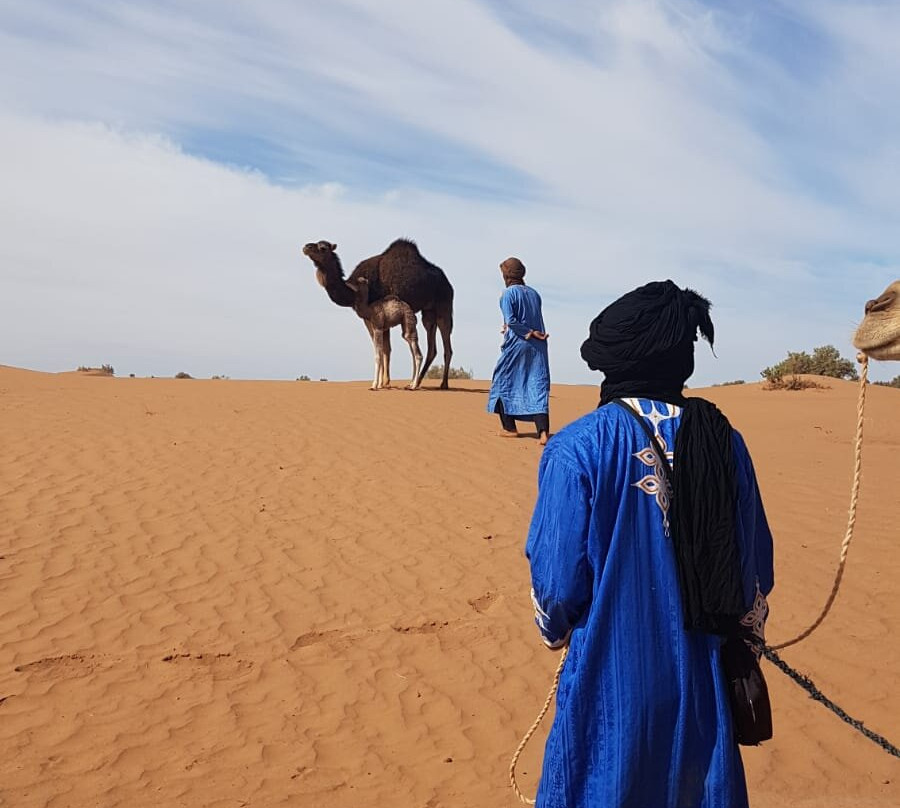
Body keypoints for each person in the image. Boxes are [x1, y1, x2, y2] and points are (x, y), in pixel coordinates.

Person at [525, 280, 774, 808]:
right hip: (703, 685)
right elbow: (755, 577)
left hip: (608, 681)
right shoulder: (726, 443)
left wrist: (554, 634)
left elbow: (557, 587)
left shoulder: (577, 448)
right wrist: (744, 641)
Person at [486, 257, 551, 444]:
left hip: (518, 343)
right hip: (539, 344)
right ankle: (543, 432)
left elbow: (513, 320)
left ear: (506, 275)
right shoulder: (534, 293)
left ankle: (509, 427)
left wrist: (527, 332)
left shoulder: (508, 294)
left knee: (501, 382)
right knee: (536, 384)